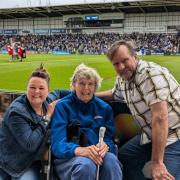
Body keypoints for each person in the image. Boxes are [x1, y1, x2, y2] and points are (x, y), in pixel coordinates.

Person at [96, 40, 180, 180]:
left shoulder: (149, 74)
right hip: (151, 135)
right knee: (124, 157)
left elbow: (160, 118)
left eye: (125, 60)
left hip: (174, 136)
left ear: (135, 56)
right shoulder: (123, 79)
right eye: (116, 64)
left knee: (162, 176)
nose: (121, 67)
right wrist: (85, 95)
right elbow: (113, 93)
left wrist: (157, 163)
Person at [51, 64, 122, 180]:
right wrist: (80, 150)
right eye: (82, 83)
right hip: (70, 157)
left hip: (97, 154)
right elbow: (58, 143)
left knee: (112, 162)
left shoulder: (105, 109)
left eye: (90, 84)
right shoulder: (63, 106)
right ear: (74, 85)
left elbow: (109, 139)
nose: (86, 88)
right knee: (85, 165)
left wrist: (106, 146)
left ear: (95, 87)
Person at [0, 64, 70, 180]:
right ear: (26, 88)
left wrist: (82, 96)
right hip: (13, 163)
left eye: (41, 88)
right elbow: (30, 144)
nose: (36, 92)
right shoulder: (17, 112)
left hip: (34, 161)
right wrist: (47, 116)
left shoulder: (48, 100)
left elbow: (59, 92)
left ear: (48, 91)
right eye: (32, 87)